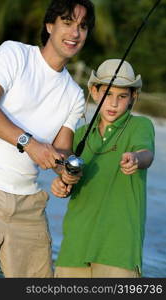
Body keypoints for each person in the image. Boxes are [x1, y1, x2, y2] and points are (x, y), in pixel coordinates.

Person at [0, 0, 95, 278]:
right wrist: (28, 143)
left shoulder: (74, 94)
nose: (75, 33)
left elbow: (62, 150)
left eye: (83, 26)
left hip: (28, 205)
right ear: (49, 26)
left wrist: (67, 171)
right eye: (67, 23)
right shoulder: (15, 54)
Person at [51, 59, 155, 278]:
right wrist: (61, 184)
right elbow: (65, 176)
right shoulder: (79, 135)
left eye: (122, 96)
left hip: (118, 252)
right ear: (94, 92)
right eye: (107, 94)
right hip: (74, 248)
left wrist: (136, 158)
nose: (114, 103)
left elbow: (147, 154)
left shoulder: (140, 126)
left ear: (132, 97)